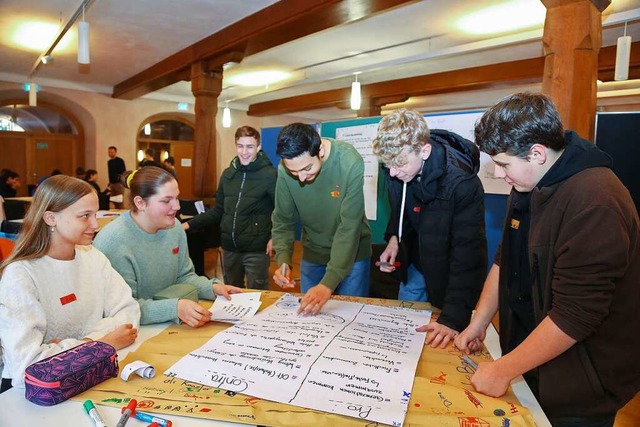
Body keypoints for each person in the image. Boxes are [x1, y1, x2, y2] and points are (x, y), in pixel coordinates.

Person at [454, 92, 640, 427]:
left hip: (582, 382)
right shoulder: (527, 184)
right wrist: (479, 321)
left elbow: (577, 314)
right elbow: (504, 258)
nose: (498, 174)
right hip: (533, 361)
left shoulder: (596, 199)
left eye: (503, 164)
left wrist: (503, 369)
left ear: (537, 153)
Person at [0, 175, 140, 392]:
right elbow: (27, 364)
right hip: (31, 395)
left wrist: (69, 347)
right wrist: (102, 344)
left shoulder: (93, 257)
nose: (95, 224)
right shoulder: (21, 275)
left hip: (91, 376)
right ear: (50, 218)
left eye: (95, 214)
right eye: (85, 216)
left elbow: (129, 313)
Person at [372, 108, 487, 348]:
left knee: (442, 337)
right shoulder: (396, 167)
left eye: (399, 164)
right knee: (404, 335)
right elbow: (399, 206)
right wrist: (394, 237)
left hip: (448, 270)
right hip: (415, 260)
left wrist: (453, 319)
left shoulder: (462, 183)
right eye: (387, 165)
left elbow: (468, 255)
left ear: (424, 151)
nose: (392, 172)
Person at [93, 166, 244, 327]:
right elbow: (124, 308)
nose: (177, 206)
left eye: (177, 198)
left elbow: (184, 276)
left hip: (168, 325)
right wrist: (175, 308)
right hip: (132, 332)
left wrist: (212, 288)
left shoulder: (175, 228)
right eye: (166, 201)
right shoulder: (113, 242)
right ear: (140, 203)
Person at [271, 123, 372, 316]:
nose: (301, 178)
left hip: (353, 254)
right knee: (310, 318)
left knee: (349, 318)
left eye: (307, 168)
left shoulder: (349, 162)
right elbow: (283, 219)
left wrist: (328, 283)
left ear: (321, 150)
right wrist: (283, 260)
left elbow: (349, 227)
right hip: (313, 252)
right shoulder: (285, 169)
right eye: (294, 172)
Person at [184, 126, 276, 290]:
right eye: (240, 146)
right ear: (236, 146)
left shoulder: (270, 175)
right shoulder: (228, 174)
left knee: (257, 295)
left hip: (256, 249)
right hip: (229, 248)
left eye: (250, 146)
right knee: (232, 294)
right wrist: (188, 224)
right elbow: (218, 211)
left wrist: (274, 237)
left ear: (258, 147)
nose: (244, 152)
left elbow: (281, 212)